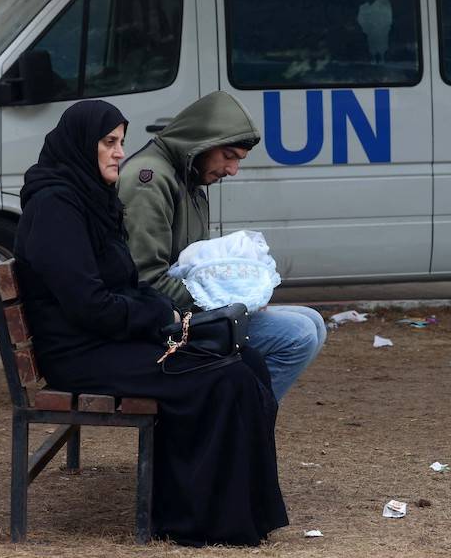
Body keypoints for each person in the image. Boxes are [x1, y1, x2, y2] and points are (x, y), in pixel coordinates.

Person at [14, 99, 288, 546]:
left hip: (105, 339)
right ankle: (195, 519)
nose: (120, 153)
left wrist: (171, 316)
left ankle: (244, 510)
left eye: (121, 141)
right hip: (80, 353)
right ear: (82, 145)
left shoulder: (90, 199)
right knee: (224, 378)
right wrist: (161, 317)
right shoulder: (55, 208)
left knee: (245, 359)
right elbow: (90, 304)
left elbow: (126, 282)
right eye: (109, 143)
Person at [119, 91, 326, 401]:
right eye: (228, 156)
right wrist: (230, 303)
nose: (232, 170)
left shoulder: (188, 175)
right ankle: (240, 430)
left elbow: (195, 265)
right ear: (202, 142)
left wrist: (241, 291)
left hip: (186, 312)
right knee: (298, 335)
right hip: (160, 325)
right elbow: (145, 279)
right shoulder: (149, 180)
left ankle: (239, 428)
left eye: (238, 160)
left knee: (313, 321)